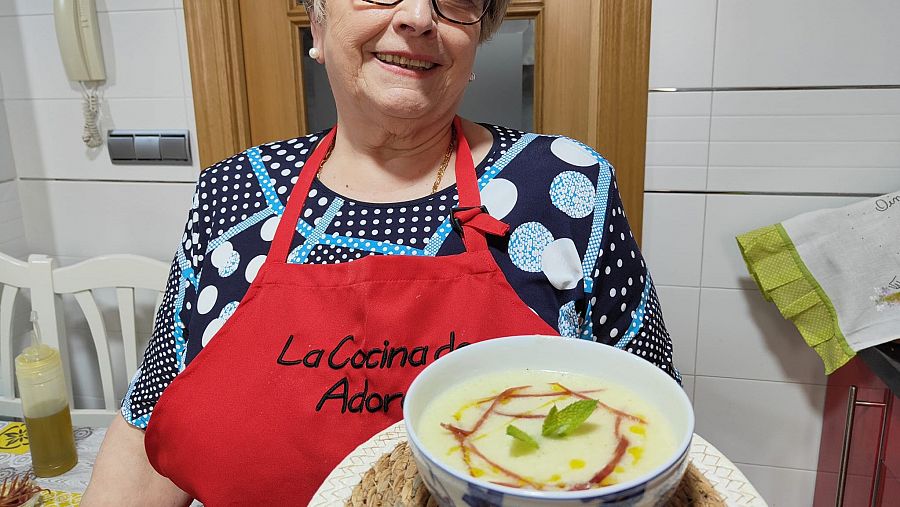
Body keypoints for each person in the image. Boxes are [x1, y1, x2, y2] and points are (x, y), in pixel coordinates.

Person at [83, 0, 679, 504]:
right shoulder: (234, 194)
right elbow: (149, 424)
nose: (418, 15)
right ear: (318, 25)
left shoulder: (565, 186)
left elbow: (658, 423)